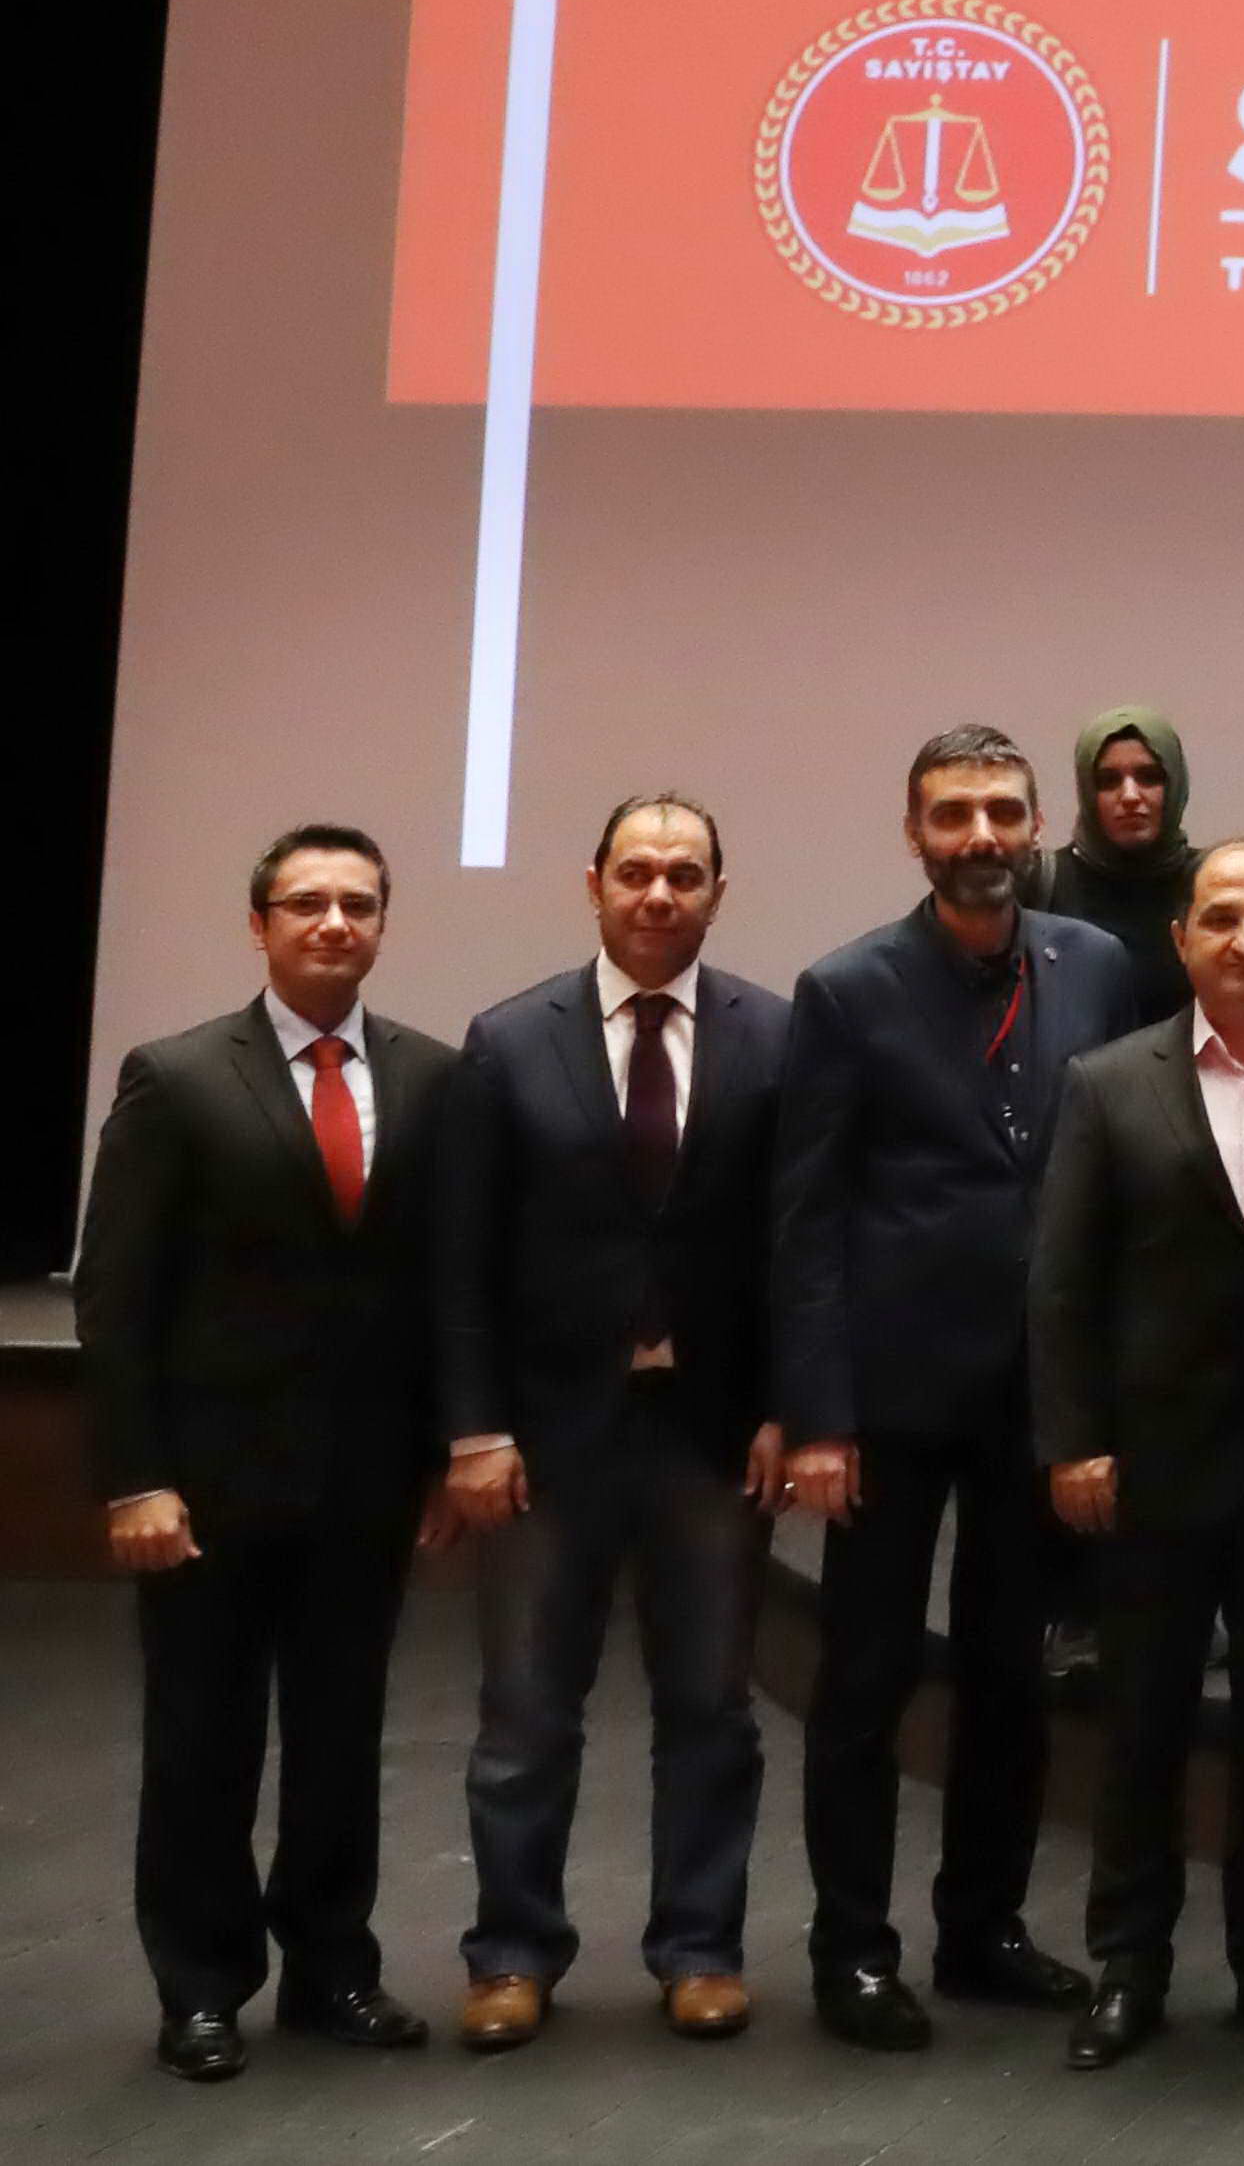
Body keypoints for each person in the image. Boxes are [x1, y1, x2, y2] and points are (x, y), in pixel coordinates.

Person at [770, 726, 1156, 2047]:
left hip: (1036, 1396)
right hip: (888, 1398)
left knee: (1009, 1676)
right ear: (915, 834)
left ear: (1037, 823)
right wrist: (817, 1414)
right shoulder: (846, 988)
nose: (980, 835)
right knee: (866, 1680)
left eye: (1001, 809)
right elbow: (807, 1217)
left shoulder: (1094, 964)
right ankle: (853, 1950)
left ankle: (983, 1930)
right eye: (953, 814)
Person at [78, 823, 459, 2083]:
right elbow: (116, 1298)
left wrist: (445, 1451)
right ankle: (201, 1986)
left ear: (383, 924)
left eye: (358, 903)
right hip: (208, 1482)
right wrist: (135, 1476)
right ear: (260, 924)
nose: (334, 922)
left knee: (343, 1736)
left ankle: (333, 1969)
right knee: (204, 1740)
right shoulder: (178, 1074)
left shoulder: (431, 1076)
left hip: (365, 1480)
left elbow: (441, 1285)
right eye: (306, 902)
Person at [432, 796, 787, 2055]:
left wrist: (788, 1405)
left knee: (712, 1707)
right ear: (593, 884)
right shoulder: (508, 1039)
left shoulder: (774, 1036)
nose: (659, 894)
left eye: (685, 874)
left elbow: (796, 1245)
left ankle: (699, 1949)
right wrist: (474, 1430)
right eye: (636, 871)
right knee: (527, 1712)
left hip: (710, 1429)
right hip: (548, 1432)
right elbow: (461, 1259)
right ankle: (512, 1952)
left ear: (717, 891)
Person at [1028, 836, 1244, 2065]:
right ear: (1181, 939)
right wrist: (1073, 1441)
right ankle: (1129, 1964)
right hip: (1153, 1466)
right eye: (1221, 917)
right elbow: (1064, 1281)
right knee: (1143, 1728)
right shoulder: (1109, 1081)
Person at [1035, 710, 1200, 995]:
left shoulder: (1207, 882)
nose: (1130, 796)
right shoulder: (1044, 883)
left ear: (1175, 784)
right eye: (1108, 781)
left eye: (1148, 777)